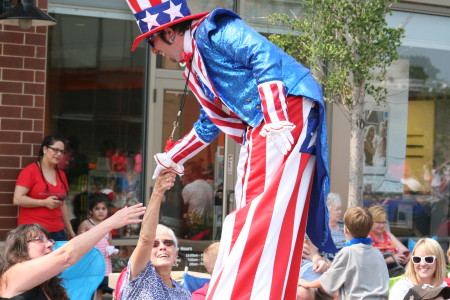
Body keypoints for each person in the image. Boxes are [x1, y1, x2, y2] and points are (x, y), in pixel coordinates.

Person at [124, 1, 334, 298]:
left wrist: (275, 118)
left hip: (282, 111)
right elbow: (211, 120)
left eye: (152, 41)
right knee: (274, 212)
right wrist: (174, 156)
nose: (154, 51)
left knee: (253, 210)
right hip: (279, 116)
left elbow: (263, 54)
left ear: (169, 33)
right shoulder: (195, 61)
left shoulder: (213, 32)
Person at [0, 203, 145, 299]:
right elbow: (66, 255)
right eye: (39, 240)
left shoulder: (50, 286)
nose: (50, 244)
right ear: (19, 250)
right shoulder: (12, 275)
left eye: (49, 240)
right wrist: (110, 222)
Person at [120, 169, 190, 299]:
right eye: (155, 244)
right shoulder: (141, 277)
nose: (162, 247)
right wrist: (157, 192)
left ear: (175, 255)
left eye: (168, 243)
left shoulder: (183, 293)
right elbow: (146, 238)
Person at [298, 206, 389, 299]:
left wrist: (308, 284)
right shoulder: (377, 252)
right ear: (370, 230)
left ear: (345, 229)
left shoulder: (347, 252)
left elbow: (329, 280)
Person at [13, 135, 76, 241]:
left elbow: (63, 204)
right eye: (55, 150)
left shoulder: (61, 174)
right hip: (33, 230)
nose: (59, 154)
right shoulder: (30, 171)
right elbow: (17, 199)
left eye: (62, 151)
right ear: (45, 149)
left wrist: (70, 230)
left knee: (58, 258)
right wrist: (44, 202)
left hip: (58, 231)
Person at [77, 193, 117, 300]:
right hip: (90, 262)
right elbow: (78, 243)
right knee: (89, 288)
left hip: (103, 263)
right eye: (97, 208)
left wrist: (112, 251)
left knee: (99, 289)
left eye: (103, 208)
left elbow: (110, 243)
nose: (101, 211)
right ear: (91, 211)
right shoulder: (86, 224)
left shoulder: (108, 225)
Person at [368, 205, 410, 272]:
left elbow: (404, 250)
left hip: (398, 268)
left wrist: (405, 256)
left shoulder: (387, 234)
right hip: (382, 272)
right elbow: (369, 264)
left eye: (384, 222)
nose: (382, 226)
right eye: (378, 222)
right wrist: (391, 259)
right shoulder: (367, 237)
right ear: (370, 222)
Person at [181, 161, 213, 239]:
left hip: (193, 229)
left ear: (194, 173)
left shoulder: (189, 188)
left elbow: (180, 210)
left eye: (186, 173)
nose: (184, 175)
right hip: (208, 227)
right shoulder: (208, 186)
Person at [321, 192, 346, 261]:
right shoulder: (321, 229)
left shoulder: (344, 226)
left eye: (340, 209)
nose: (340, 212)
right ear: (327, 211)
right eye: (337, 209)